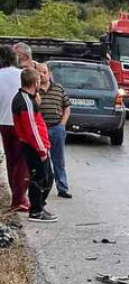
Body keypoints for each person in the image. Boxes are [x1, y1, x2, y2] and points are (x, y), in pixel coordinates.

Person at [12, 67, 56, 222]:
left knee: (48, 177)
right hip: (34, 146)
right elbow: (31, 129)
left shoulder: (30, 98)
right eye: (38, 80)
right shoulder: (25, 102)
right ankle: (36, 211)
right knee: (38, 178)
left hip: (39, 145)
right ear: (34, 82)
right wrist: (42, 150)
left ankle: (39, 206)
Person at [0, 45, 30, 212]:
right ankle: (19, 200)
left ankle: (17, 196)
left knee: (11, 161)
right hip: (20, 123)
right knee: (22, 162)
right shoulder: (21, 75)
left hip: (3, 124)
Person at [36, 63, 72, 199]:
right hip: (41, 130)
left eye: (44, 72)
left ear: (49, 73)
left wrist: (62, 125)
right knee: (42, 159)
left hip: (56, 128)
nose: (42, 75)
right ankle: (42, 187)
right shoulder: (34, 90)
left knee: (58, 159)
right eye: (39, 72)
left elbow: (67, 107)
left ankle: (62, 188)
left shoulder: (58, 88)